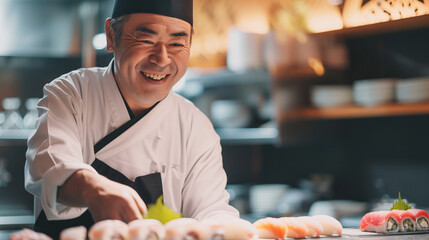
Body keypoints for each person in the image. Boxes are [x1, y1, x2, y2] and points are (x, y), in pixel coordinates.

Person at [24, 0, 239, 238]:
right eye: (147, 40)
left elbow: (211, 209)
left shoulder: (194, 126)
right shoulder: (72, 93)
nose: (162, 59)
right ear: (110, 36)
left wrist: (227, 228)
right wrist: (94, 189)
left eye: (177, 43)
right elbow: (48, 165)